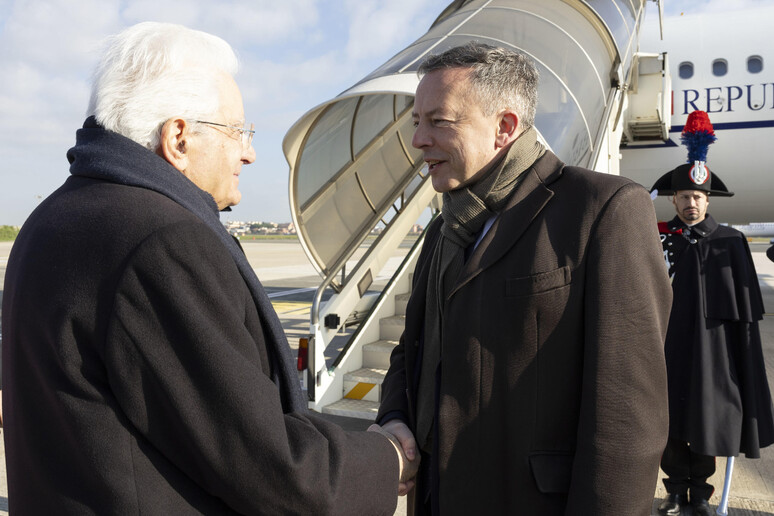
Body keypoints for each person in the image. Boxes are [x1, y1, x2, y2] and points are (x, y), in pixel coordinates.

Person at [1, 22, 417, 514]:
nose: (249, 151)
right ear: (178, 137)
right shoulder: (161, 242)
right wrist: (386, 458)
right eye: (238, 130)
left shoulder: (50, 218)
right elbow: (265, 462)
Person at [374, 42, 672, 515]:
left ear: (505, 127)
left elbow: (628, 420)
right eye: (417, 123)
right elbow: (411, 349)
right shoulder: (442, 232)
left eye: (439, 122)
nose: (419, 141)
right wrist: (394, 417)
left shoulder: (599, 211)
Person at [651, 111, 774, 516]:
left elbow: (746, 312)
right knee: (669, 421)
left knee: (706, 419)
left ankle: (701, 492)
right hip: (668, 346)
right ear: (674, 199)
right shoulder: (659, 239)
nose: (691, 204)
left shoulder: (730, 242)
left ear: (707, 200)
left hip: (713, 352)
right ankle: (673, 489)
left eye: (698, 198)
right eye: (684, 197)